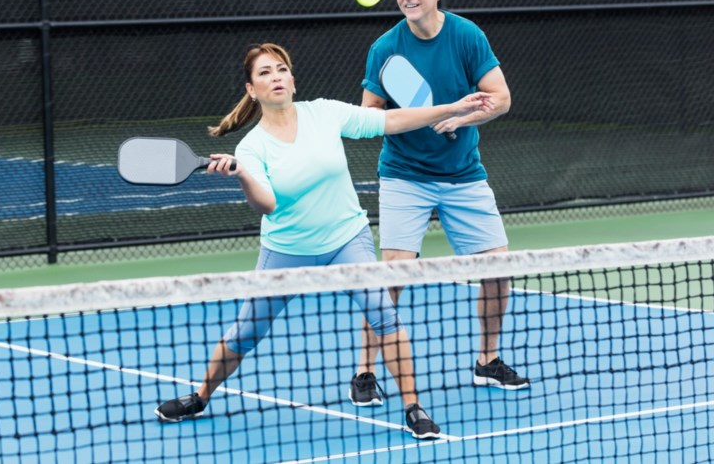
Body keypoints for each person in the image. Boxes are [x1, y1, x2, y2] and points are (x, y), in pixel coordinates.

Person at [154, 42, 494, 439]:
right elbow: (267, 205)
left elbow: (392, 120)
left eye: (281, 69)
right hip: (287, 249)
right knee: (247, 331)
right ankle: (200, 396)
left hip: (346, 238)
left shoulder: (325, 113)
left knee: (384, 314)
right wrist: (242, 174)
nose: (275, 77)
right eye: (264, 73)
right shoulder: (252, 147)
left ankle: (413, 407)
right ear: (251, 89)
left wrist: (453, 109)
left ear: (293, 80)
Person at [349, 0, 530, 408]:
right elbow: (368, 115)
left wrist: (462, 117)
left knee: (498, 270)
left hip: (464, 175)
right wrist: (414, 117)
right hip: (405, 175)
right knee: (391, 277)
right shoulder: (385, 48)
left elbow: (502, 98)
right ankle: (365, 370)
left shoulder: (467, 36)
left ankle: (487, 360)